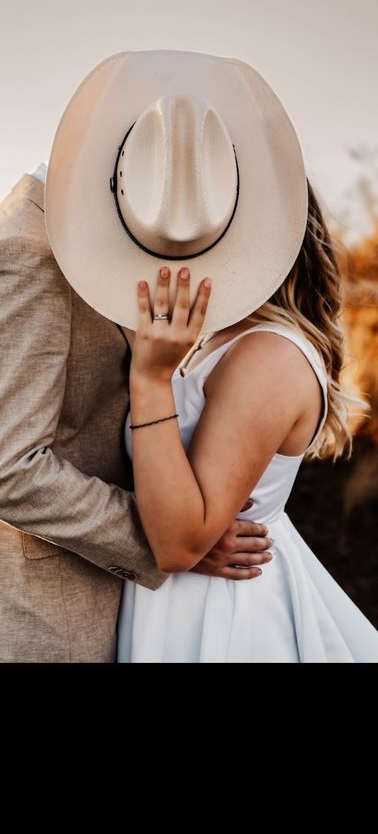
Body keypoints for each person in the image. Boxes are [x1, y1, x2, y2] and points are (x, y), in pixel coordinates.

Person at [44, 48, 378, 663]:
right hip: (175, 604)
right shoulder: (220, 337)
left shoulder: (269, 358)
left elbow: (178, 543)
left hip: (221, 620)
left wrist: (149, 380)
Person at [0, 131, 271, 664]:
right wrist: (172, 536)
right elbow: (8, 472)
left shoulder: (63, 243)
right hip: (23, 627)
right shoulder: (27, 254)